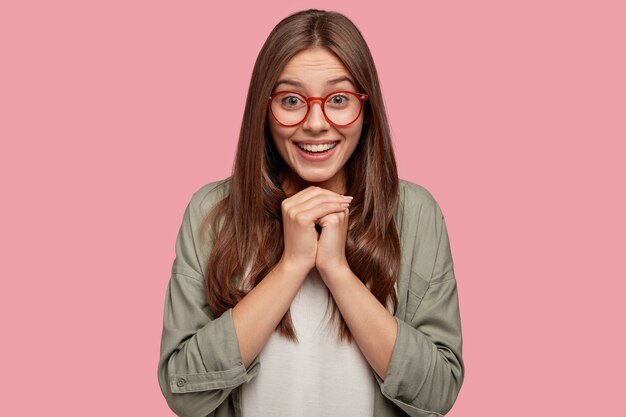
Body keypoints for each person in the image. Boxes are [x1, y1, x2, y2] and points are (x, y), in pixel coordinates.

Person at [157, 8, 464, 417]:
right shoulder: (213, 212)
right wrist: (292, 264)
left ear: (366, 107)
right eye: (291, 100)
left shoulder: (416, 214)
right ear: (264, 111)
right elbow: (183, 390)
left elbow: (438, 392)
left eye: (338, 99)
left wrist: (337, 270)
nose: (316, 123)